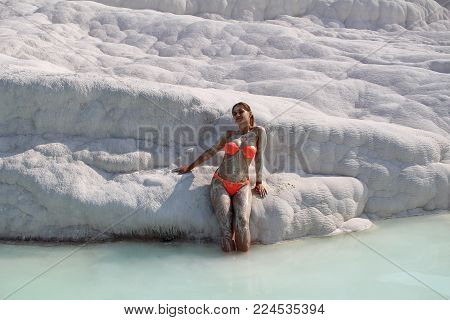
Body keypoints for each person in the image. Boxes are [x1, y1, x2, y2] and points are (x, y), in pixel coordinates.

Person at [173, 102, 267, 252]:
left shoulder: (258, 132)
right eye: (234, 113)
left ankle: (244, 266)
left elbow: (259, 158)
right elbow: (211, 151)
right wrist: (190, 167)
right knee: (226, 227)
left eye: (240, 112)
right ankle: (227, 267)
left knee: (242, 222)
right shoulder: (230, 135)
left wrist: (259, 183)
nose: (237, 115)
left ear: (249, 113)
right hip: (221, 183)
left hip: (242, 184)